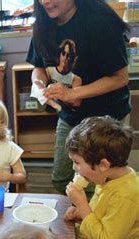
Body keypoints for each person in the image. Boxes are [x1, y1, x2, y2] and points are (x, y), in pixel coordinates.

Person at [27, 0, 131, 194]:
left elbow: (120, 78)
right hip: (70, 115)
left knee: (97, 183)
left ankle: (93, 220)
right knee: (62, 180)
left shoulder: (100, 22)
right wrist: (38, 84)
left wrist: (72, 93)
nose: (45, 2)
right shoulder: (42, 24)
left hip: (105, 119)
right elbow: (38, 67)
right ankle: (79, 215)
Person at [63, 116, 139, 239]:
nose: (75, 168)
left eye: (77, 162)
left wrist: (81, 204)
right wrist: (81, 214)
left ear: (103, 165)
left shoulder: (127, 194)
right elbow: (101, 217)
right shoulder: (107, 178)